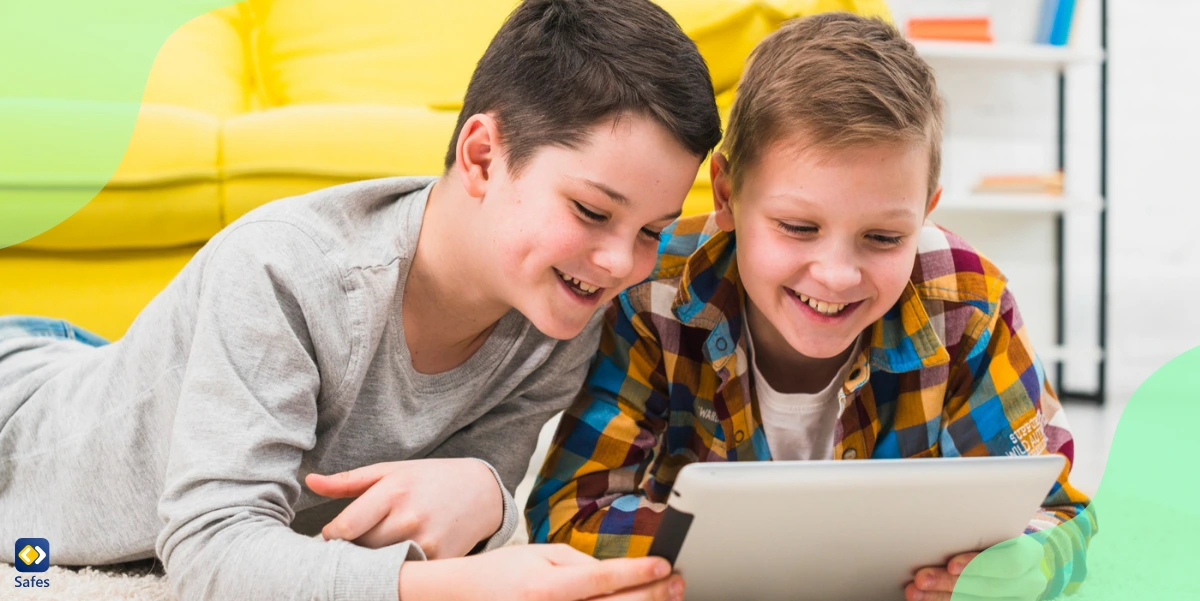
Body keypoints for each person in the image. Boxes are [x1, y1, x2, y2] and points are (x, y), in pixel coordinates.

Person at [0, 1, 721, 600]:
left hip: (115, 371)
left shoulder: (557, 309)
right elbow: (209, 553)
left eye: (652, 231)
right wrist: (466, 586)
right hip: (21, 411)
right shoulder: (289, 269)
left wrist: (489, 493)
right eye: (593, 212)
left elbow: (439, 514)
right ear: (480, 157)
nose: (621, 262)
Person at [528, 13, 1096, 601]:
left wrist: (1025, 565)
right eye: (798, 227)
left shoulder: (968, 303)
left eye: (883, 238)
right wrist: (760, 555)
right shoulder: (654, 293)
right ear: (726, 195)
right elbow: (568, 513)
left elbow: (1059, 517)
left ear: (925, 212)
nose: (837, 275)